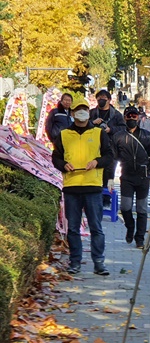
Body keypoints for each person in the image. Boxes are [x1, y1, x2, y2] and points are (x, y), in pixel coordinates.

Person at [51, 94, 113, 276]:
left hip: (92, 187)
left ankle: (99, 262)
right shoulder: (64, 135)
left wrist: (97, 162)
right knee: (72, 228)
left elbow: (109, 156)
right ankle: (74, 262)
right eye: (78, 110)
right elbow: (55, 157)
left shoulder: (98, 133)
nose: (82, 113)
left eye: (85, 110)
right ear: (72, 113)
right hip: (71, 187)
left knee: (96, 227)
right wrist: (63, 165)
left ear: (89, 112)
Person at [111, 106, 150, 248]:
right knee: (125, 207)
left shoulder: (147, 135)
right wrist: (110, 178)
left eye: (134, 116)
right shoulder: (118, 136)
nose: (132, 118)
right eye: (129, 116)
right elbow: (113, 158)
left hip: (143, 177)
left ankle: (140, 238)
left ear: (138, 118)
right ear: (125, 118)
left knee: (142, 209)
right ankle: (130, 227)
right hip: (126, 176)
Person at [89, 89, 127, 203]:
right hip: (93, 147)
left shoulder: (116, 114)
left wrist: (111, 129)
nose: (101, 100)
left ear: (109, 100)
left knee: (109, 173)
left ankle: (106, 198)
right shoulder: (92, 113)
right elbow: (83, 125)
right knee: (94, 172)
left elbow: (123, 128)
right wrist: (92, 123)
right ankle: (94, 197)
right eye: (99, 98)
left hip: (111, 148)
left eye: (104, 98)